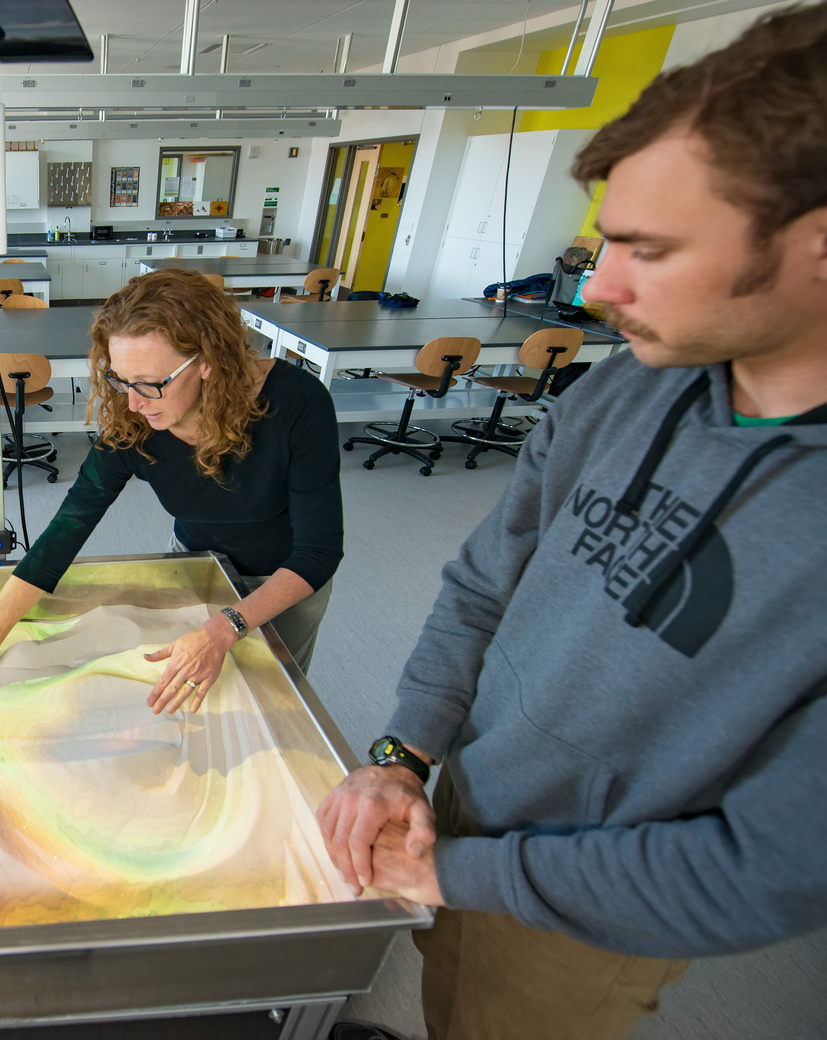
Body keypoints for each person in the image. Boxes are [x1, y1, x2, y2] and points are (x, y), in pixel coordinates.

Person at [315, 7, 827, 1039]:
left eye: (648, 250)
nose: (597, 289)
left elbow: (772, 865)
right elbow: (483, 582)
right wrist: (404, 755)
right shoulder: (629, 386)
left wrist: (462, 868)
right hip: (462, 807)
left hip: (595, 903)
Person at [0, 268, 343, 746]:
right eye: (121, 381)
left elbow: (318, 553)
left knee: (265, 710)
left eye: (149, 384)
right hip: (198, 564)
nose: (135, 404)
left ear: (206, 361)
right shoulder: (134, 421)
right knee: (195, 711)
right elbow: (64, 534)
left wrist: (228, 626)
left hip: (284, 581)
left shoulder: (300, 405)